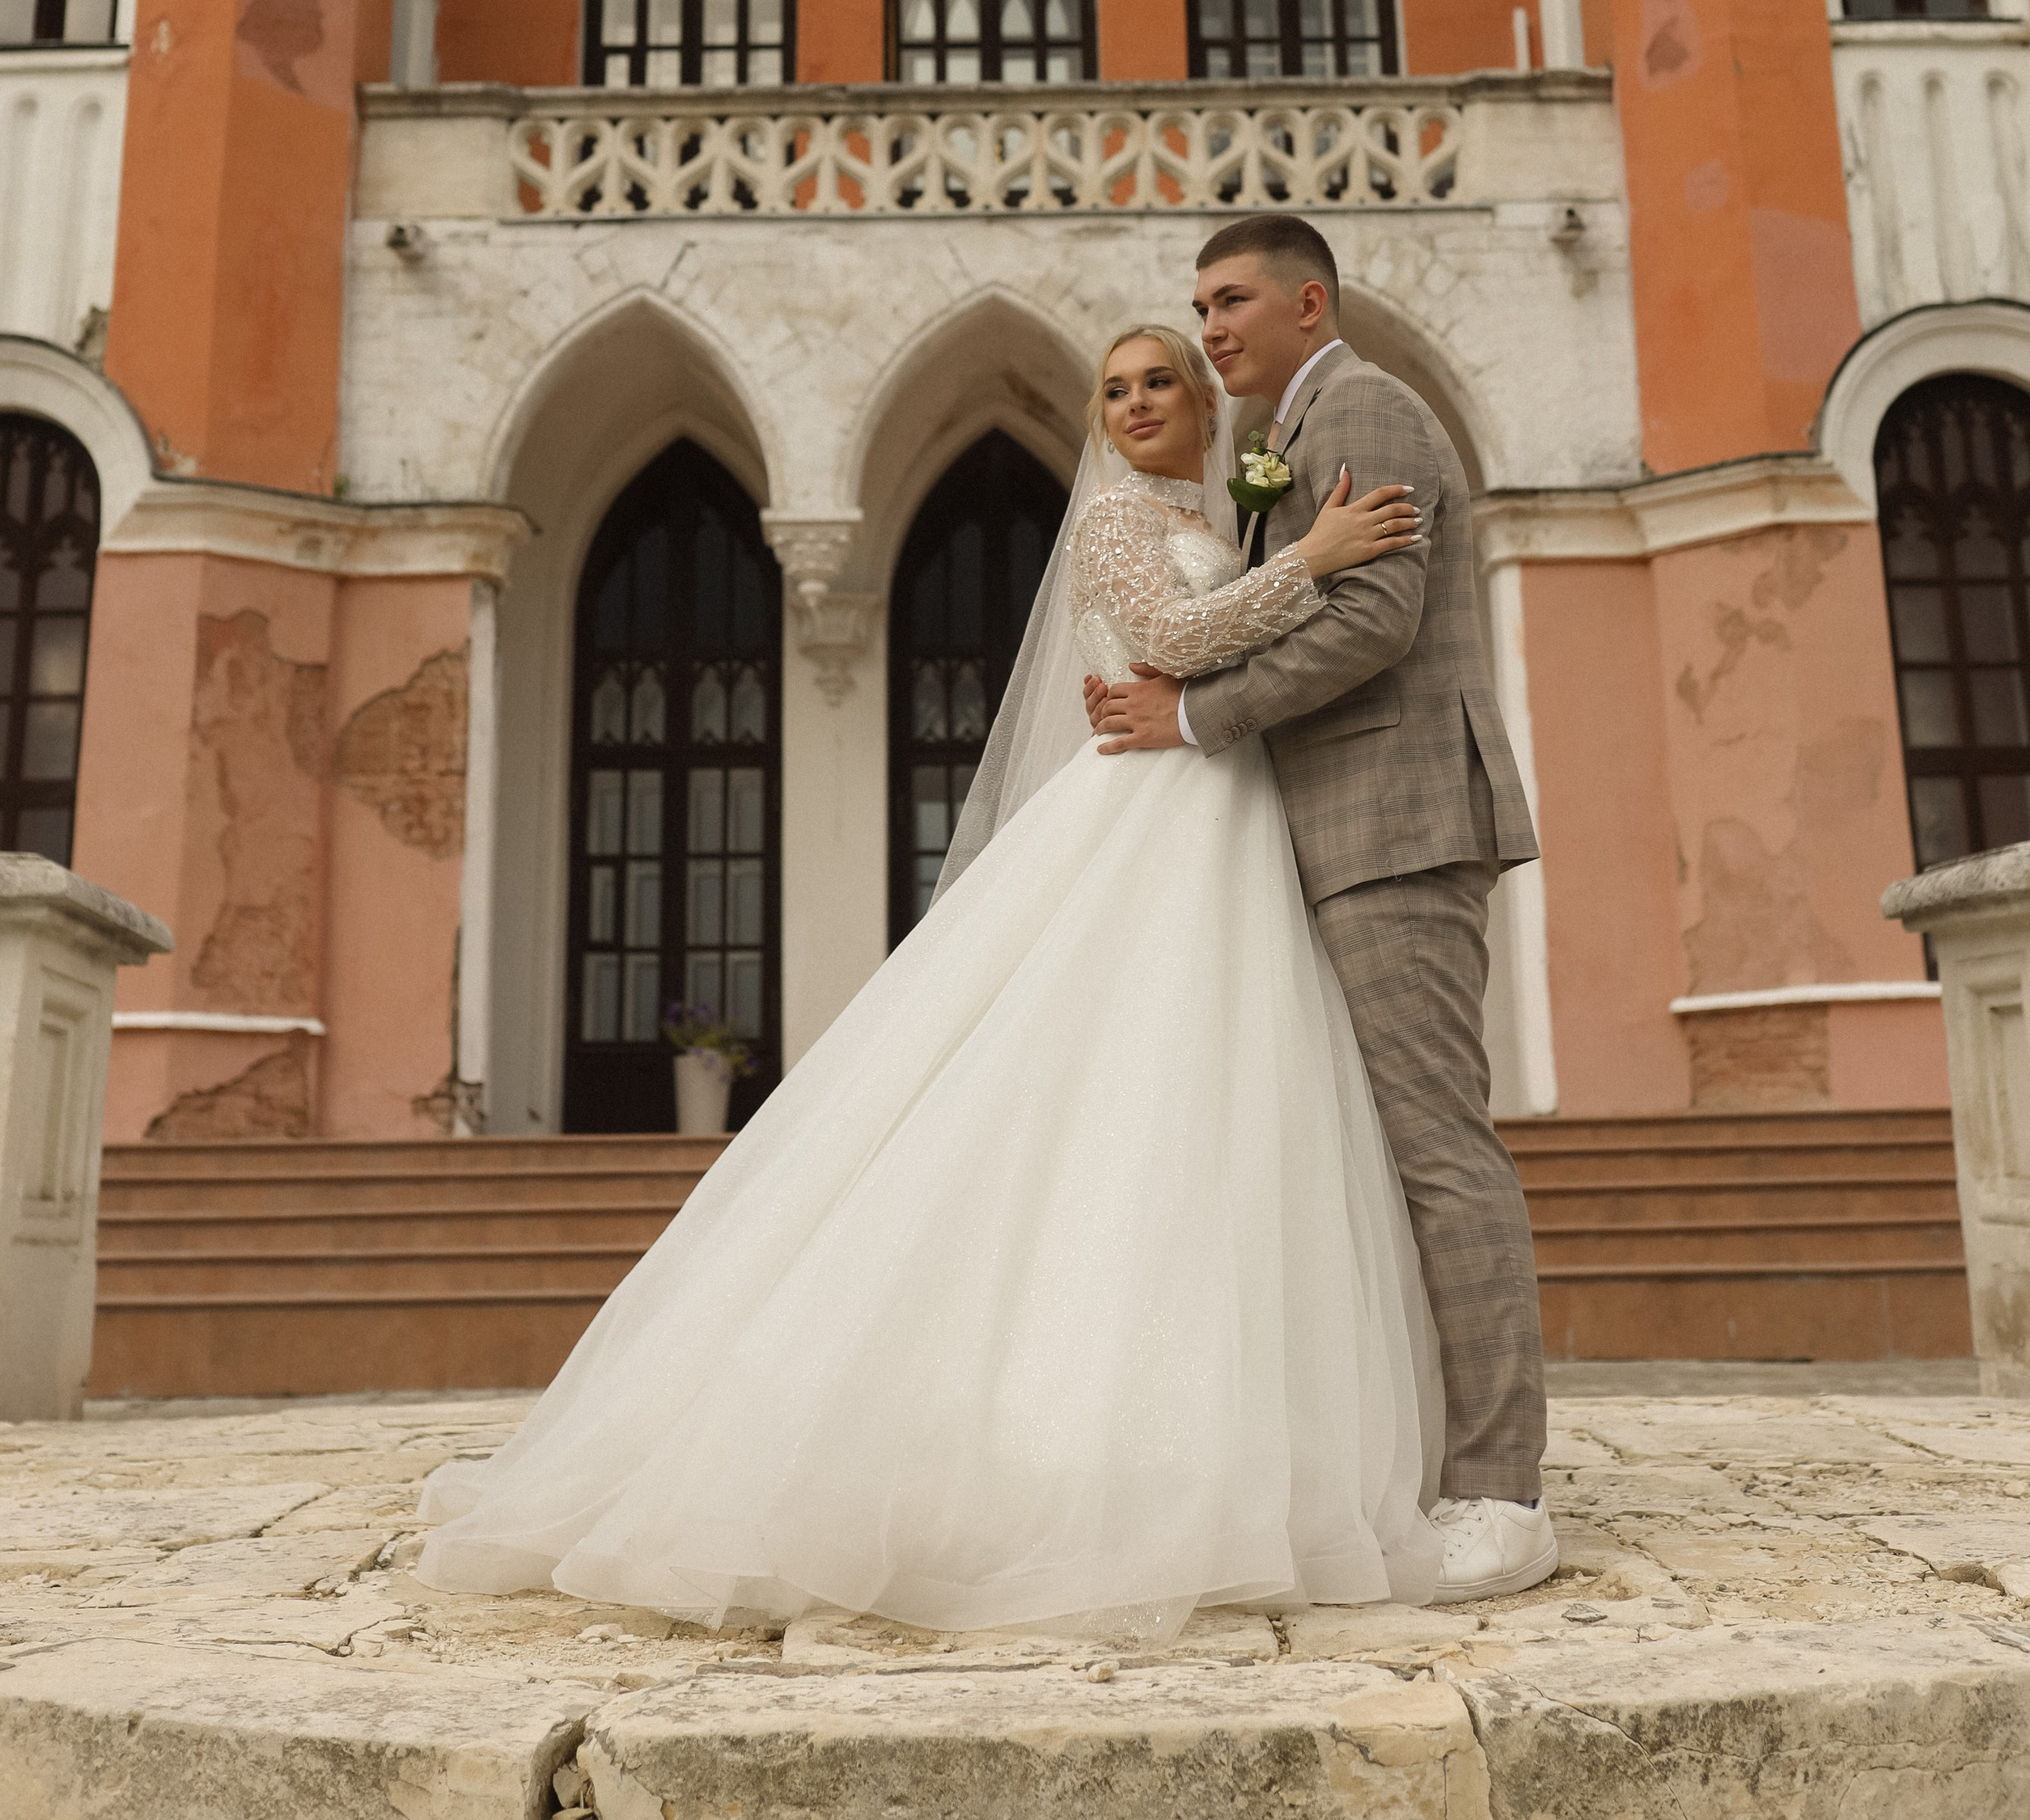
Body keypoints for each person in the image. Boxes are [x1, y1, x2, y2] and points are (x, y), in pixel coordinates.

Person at [413, 324, 1442, 1640]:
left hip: (1227, 812)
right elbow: (1172, 638)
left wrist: (1280, 550)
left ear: (1201, 404)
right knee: (1092, 1085)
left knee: (1204, 1113)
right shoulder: (1122, 519)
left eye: (1157, 384)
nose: (1133, 406)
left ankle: (1208, 1441)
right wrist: (1311, 560)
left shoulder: (1227, 507)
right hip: (1152, 811)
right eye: (1114, 390)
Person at [1087, 218, 1554, 1602]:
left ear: (1308, 299)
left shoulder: (1365, 408)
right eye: (1197, 306)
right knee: (1359, 1160)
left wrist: (1194, 718)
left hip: (1395, 820)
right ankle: (1413, 1457)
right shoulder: (1273, 444)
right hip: (1323, 831)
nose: (1210, 327)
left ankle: (1501, 1494)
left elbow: (1374, 624)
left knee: (1435, 1153)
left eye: (1230, 303)